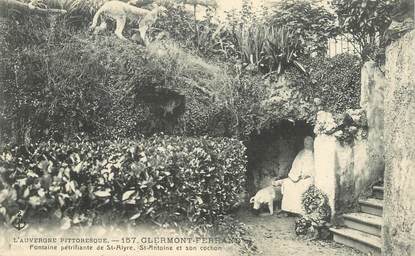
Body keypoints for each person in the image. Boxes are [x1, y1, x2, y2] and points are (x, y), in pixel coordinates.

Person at [273, 136, 315, 215]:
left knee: (304, 185)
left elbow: (317, 168)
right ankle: (289, 210)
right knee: (289, 184)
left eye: (309, 143)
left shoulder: (315, 154)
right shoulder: (301, 153)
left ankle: (301, 211)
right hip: (299, 176)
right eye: (305, 143)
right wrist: (296, 176)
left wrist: (308, 174)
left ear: (312, 144)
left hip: (309, 177)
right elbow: (296, 166)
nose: (307, 145)